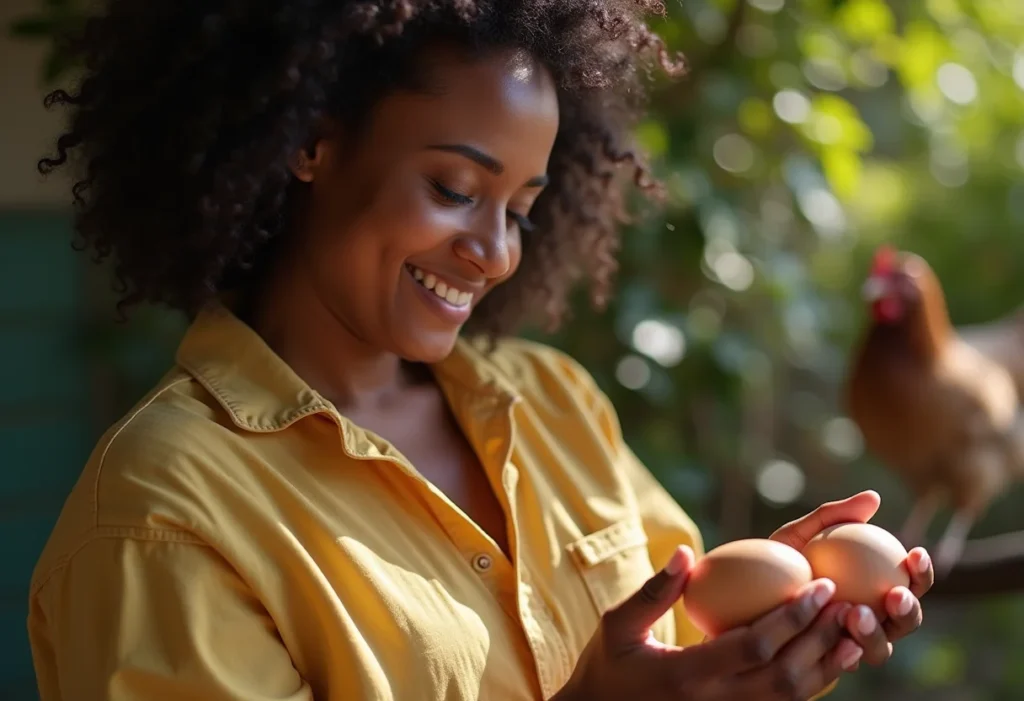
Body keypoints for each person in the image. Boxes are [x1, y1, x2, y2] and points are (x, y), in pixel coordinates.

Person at [27, 1, 933, 699]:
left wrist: (760, 628)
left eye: (521, 209)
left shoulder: (550, 402)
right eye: (454, 187)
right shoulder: (162, 514)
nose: (495, 251)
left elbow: (671, 651)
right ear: (309, 141)